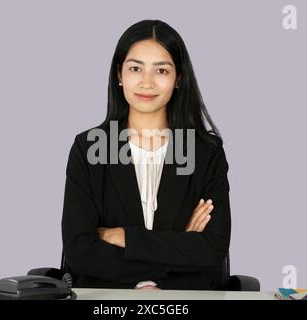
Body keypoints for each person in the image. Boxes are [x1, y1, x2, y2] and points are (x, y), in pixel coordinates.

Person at [62, 19, 231, 290]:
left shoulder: (205, 153)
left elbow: (211, 248)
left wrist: (124, 237)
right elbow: (80, 251)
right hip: (105, 300)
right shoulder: (89, 148)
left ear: (179, 79)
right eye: (135, 68)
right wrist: (179, 245)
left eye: (162, 70)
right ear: (119, 75)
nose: (147, 82)